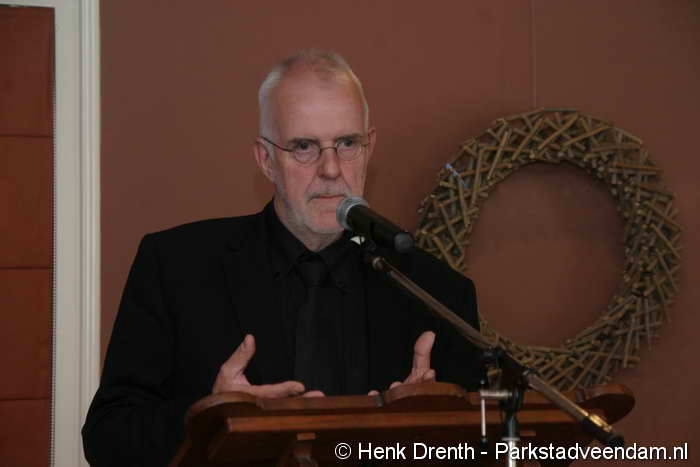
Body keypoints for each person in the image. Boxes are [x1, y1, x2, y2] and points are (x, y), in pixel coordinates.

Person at [82, 49, 484, 466]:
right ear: (266, 159)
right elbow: (107, 438)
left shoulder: (435, 293)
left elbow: (482, 447)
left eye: (348, 143)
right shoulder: (177, 267)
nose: (331, 169)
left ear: (370, 147)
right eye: (304, 146)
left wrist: (429, 427)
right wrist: (210, 418)